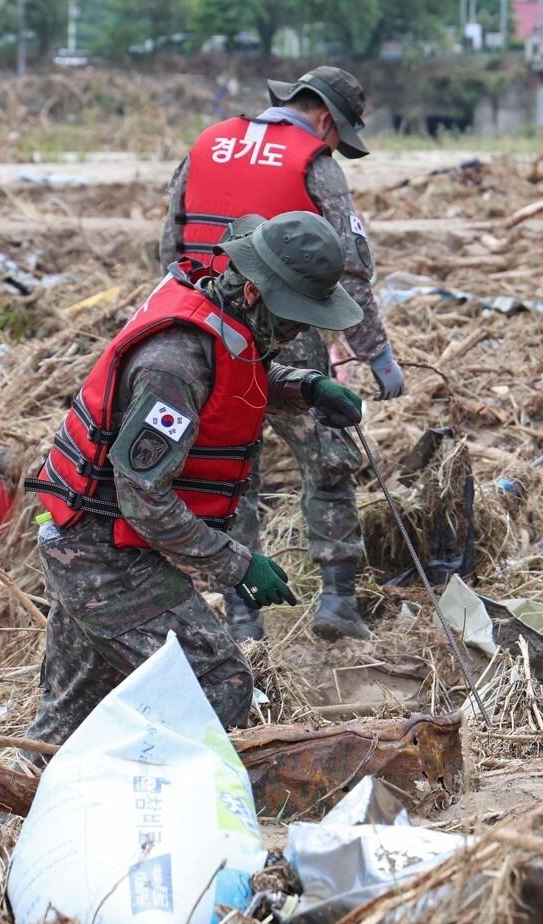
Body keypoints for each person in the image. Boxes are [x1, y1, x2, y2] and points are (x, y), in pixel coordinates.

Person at [23, 211, 366, 749]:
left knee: (71, 718)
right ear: (254, 290)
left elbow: (235, 377)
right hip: (101, 556)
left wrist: (306, 388)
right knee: (219, 684)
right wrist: (237, 565)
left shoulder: (222, 318)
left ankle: (33, 799)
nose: (300, 331)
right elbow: (144, 500)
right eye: (295, 317)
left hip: (95, 544)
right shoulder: (172, 366)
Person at [159, 65, 403, 643]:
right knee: (329, 455)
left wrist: (188, 326)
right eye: (340, 135)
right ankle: (338, 600)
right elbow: (351, 269)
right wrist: (378, 357)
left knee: (229, 470)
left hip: (207, 329)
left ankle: (244, 617)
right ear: (326, 119)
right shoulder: (315, 161)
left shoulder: (206, 144)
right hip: (289, 330)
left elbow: (171, 246)